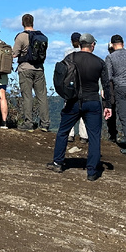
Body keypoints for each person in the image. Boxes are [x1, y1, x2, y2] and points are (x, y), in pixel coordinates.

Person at [47, 33, 111, 181]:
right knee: (94, 136)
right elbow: (106, 86)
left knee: (63, 131)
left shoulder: (71, 58)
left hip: (74, 101)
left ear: (80, 44)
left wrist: (65, 94)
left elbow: (60, 74)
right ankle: (92, 171)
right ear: (92, 45)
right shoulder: (100, 62)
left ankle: (58, 162)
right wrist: (107, 105)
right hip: (93, 101)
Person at [12, 14, 50, 132]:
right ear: (33, 22)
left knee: (27, 96)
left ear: (22, 23)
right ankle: (45, 123)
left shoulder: (21, 37)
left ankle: (28, 123)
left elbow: (14, 54)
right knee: (42, 96)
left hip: (25, 69)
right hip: (39, 69)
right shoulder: (42, 36)